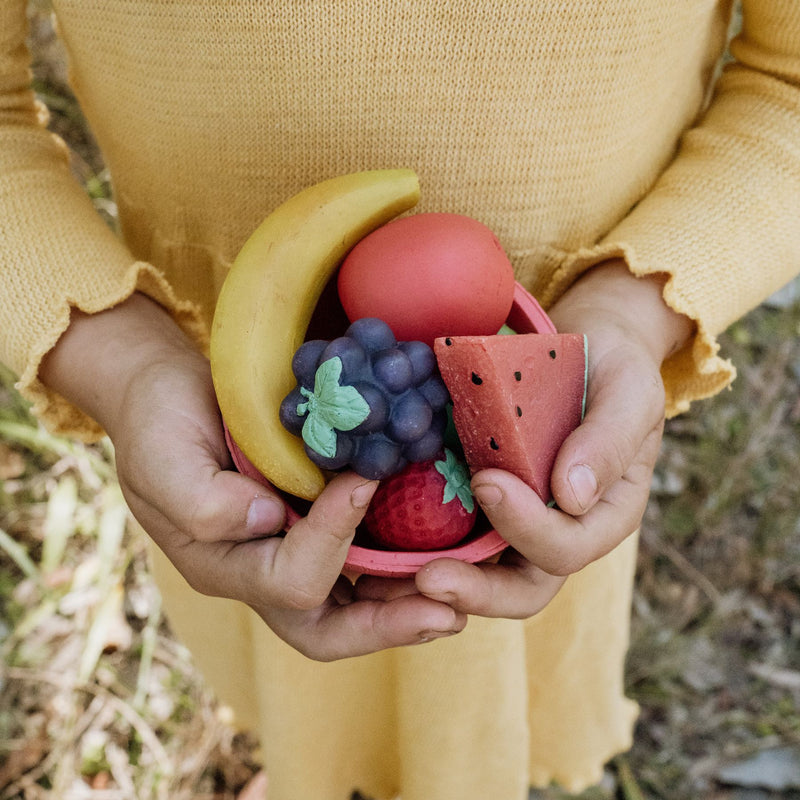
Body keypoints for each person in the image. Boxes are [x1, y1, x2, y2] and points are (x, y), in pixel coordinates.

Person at [2, 2, 799, 798]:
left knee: (505, 681)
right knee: (285, 677)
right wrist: (123, 361)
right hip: (223, 431)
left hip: (554, 418)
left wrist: (634, 310)